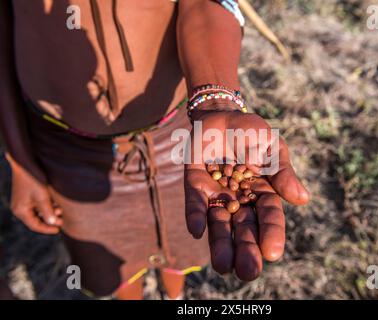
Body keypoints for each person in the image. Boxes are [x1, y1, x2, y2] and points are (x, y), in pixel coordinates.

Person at [0, 0, 309, 300]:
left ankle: (174, 295)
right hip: (66, 150)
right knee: (113, 267)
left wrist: (216, 101)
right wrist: (20, 161)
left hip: (183, 138)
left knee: (186, 242)